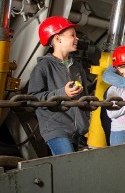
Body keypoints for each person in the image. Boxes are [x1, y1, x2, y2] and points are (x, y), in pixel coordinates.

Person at [28, 16, 91, 155]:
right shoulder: (43, 67)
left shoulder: (77, 67)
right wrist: (63, 93)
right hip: (55, 128)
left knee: (68, 170)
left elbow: (85, 96)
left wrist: (85, 119)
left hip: (76, 129)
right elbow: (33, 98)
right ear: (57, 39)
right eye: (72, 35)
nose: (77, 39)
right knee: (68, 167)